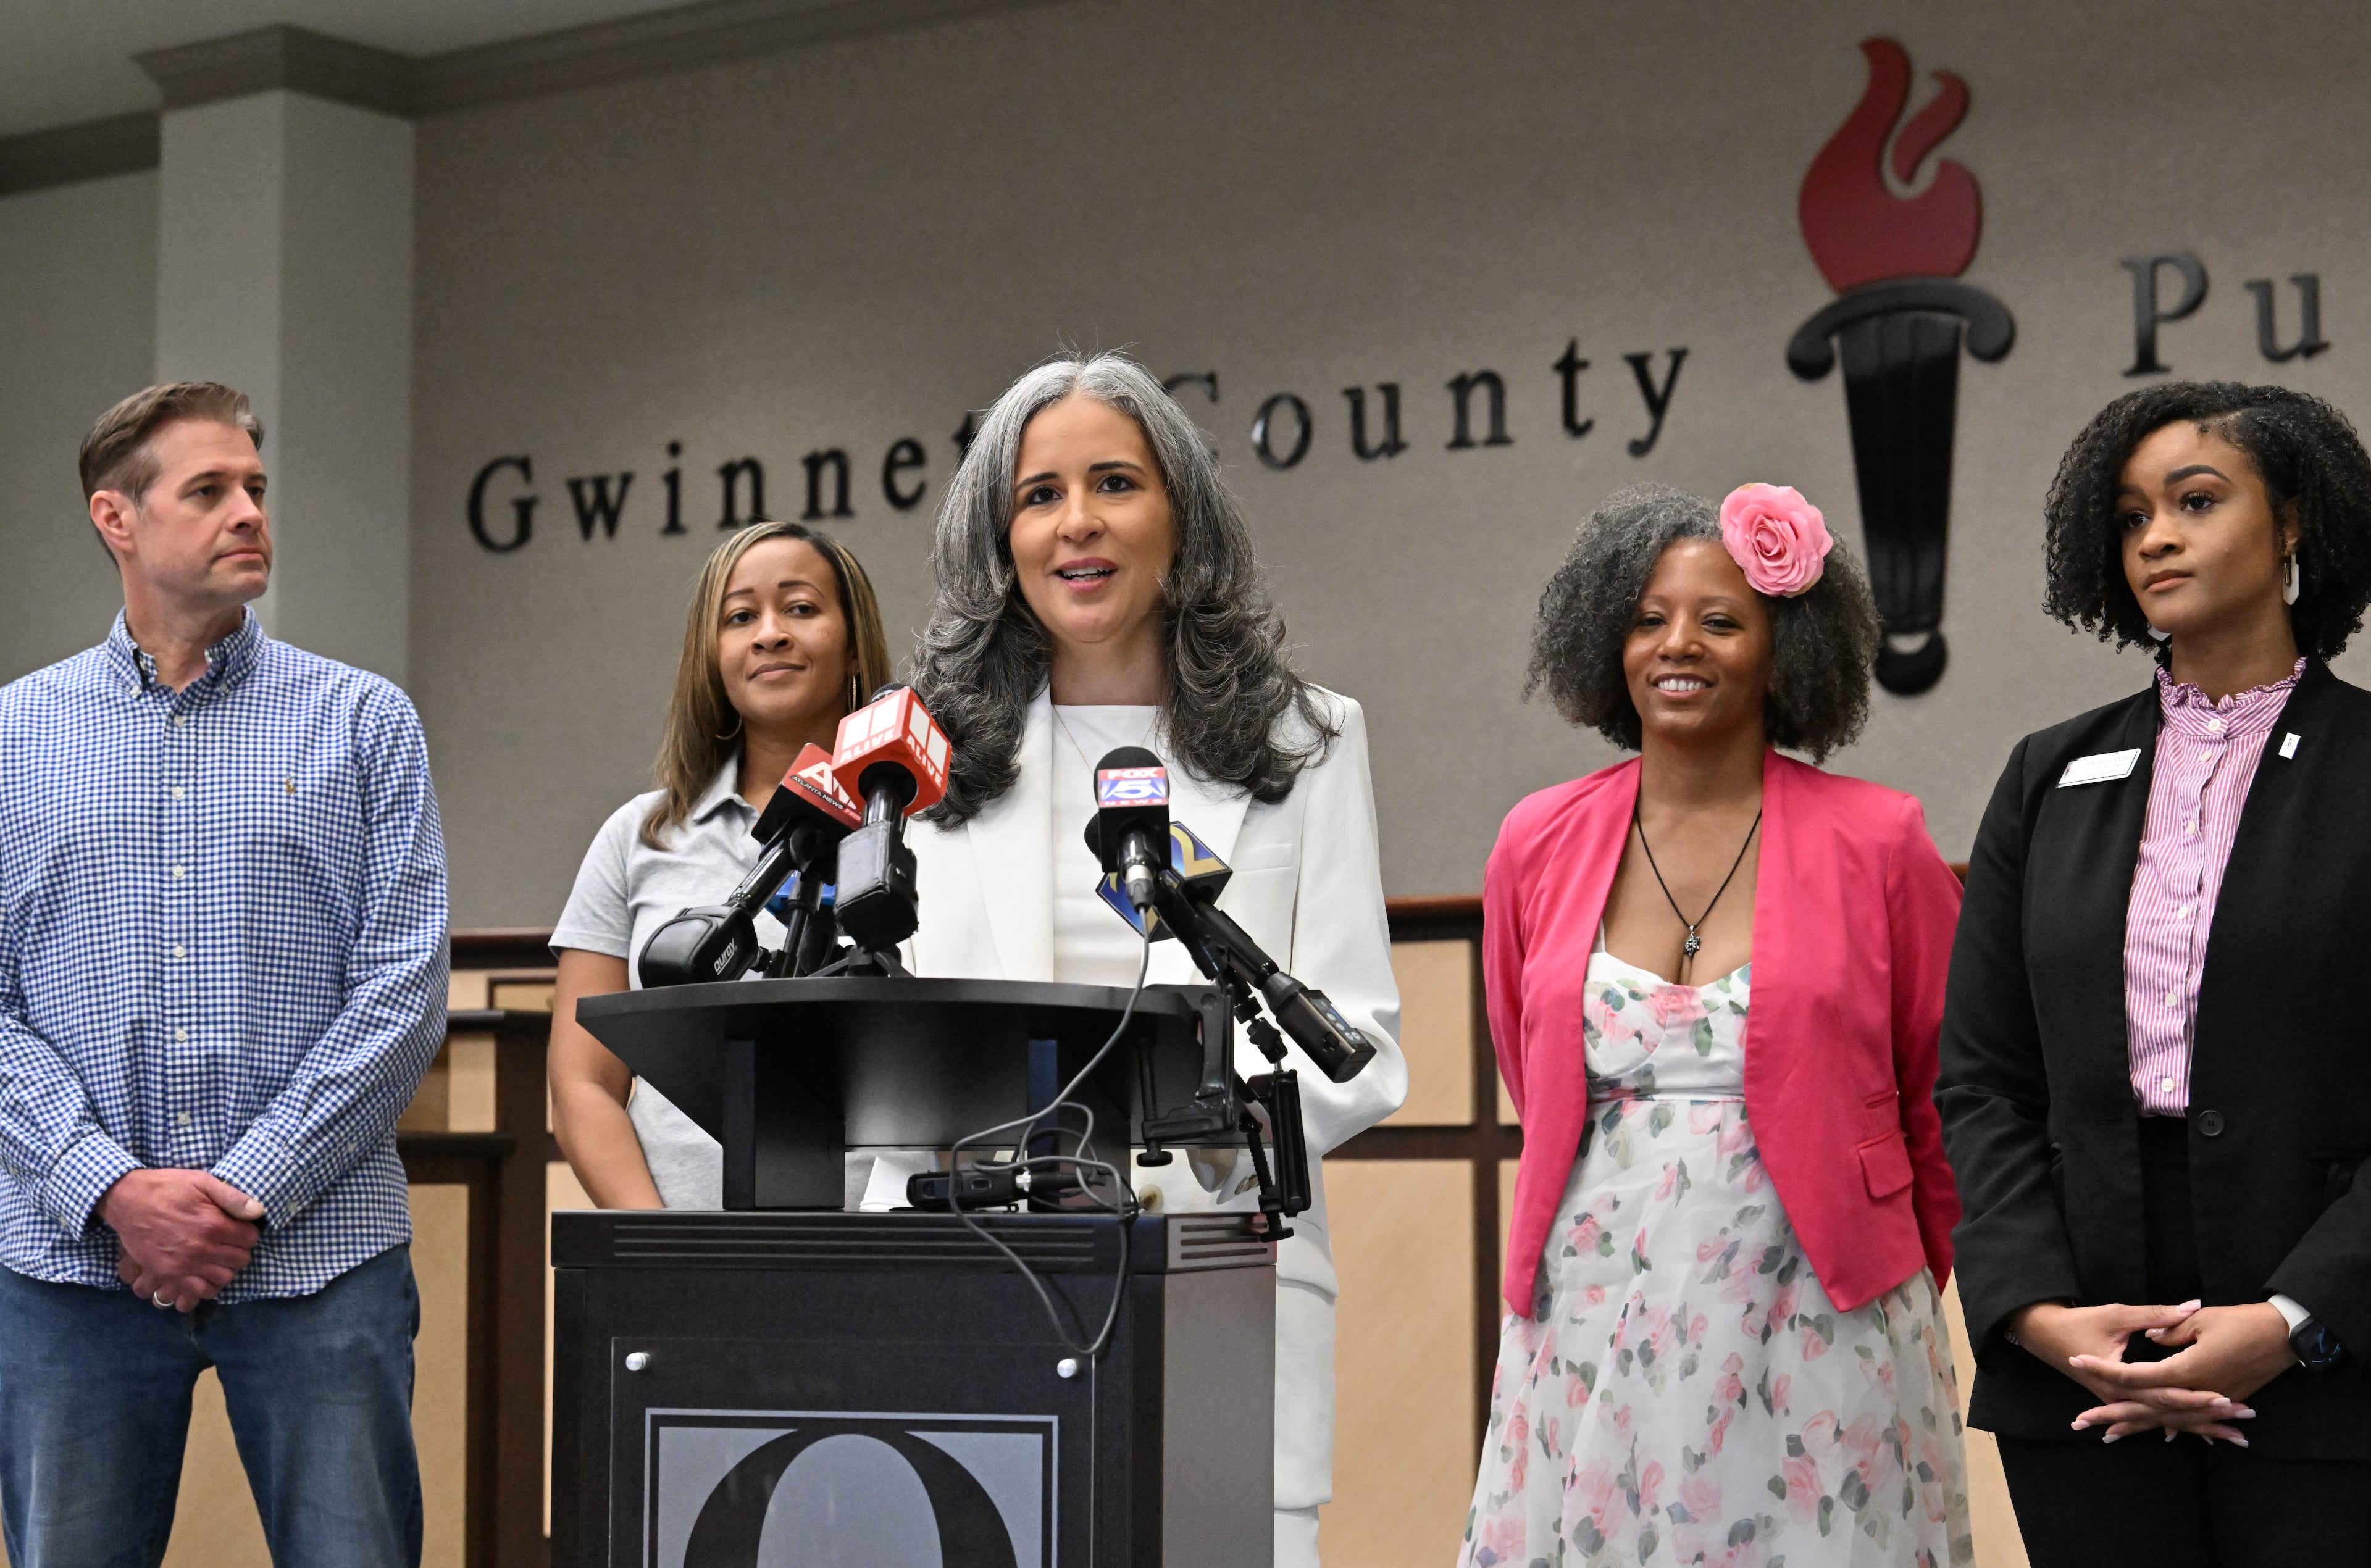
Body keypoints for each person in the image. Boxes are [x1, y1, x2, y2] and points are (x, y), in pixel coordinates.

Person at [879, 351, 1407, 1566]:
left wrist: (1172, 1134)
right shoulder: (923, 756)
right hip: (974, 1286)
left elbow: (1358, 1052)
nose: (1077, 522)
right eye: (1038, 493)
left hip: (1226, 1286)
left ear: (1181, 514)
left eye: (1114, 481)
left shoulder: (1309, 741)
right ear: (999, 537)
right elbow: (890, 1042)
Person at [1461, 483, 1970, 1567]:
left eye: (1720, 619)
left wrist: (1900, 1280)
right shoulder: (1533, 841)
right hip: (1593, 1305)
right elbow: (1526, 1053)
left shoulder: (1884, 839)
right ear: (1608, 641)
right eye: (1648, 617)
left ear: (1786, 650)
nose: (1677, 643)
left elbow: (1949, 1092)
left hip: (1824, 1305)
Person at [0, 382, 449, 1566]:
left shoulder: (364, 723)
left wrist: (242, 1192)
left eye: (256, 487)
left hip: (320, 1255)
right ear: (118, 519)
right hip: (68, 1262)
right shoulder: (12, 738)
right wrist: (113, 1189)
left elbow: (403, 992)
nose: (249, 511)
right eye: (209, 490)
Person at [1937, 382, 2371, 1566]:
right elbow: (1981, 1081)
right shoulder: (2047, 774)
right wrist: (2036, 1314)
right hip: (2082, 1351)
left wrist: (2296, 1321)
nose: (2157, 539)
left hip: (2334, 1339)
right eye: (2131, 517)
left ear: (2292, 525)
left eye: (2195, 501)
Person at [549, 519, 893, 1208]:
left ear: (855, 643)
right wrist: (657, 1245)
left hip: (890, 1253)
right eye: (741, 616)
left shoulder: (928, 833)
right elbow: (584, 1082)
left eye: (801, 607)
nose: (770, 632)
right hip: (679, 1254)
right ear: (711, 654)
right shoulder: (639, 835)